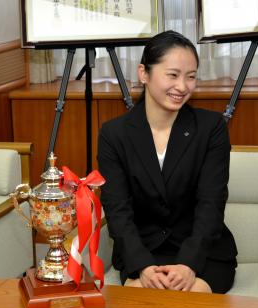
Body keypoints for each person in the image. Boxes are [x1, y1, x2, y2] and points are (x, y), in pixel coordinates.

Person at [97, 30, 237, 293]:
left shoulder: (211, 128)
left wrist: (188, 265)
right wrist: (142, 267)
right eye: (172, 75)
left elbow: (211, 203)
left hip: (202, 252)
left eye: (191, 77)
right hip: (143, 252)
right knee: (143, 302)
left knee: (191, 299)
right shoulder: (114, 134)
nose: (182, 86)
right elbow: (118, 210)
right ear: (144, 73)